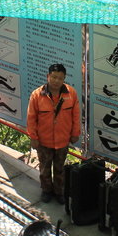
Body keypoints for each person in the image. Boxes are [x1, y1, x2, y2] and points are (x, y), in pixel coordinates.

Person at [27, 63, 80, 204]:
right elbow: (31, 118)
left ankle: (59, 192)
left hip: (63, 140)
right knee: (44, 169)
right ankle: (46, 191)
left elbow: (76, 115)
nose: (56, 81)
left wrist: (75, 133)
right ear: (48, 76)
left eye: (60, 78)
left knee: (60, 169)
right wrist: (33, 137)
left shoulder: (71, 94)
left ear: (64, 79)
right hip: (44, 141)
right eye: (54, 77)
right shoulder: (37, 95)